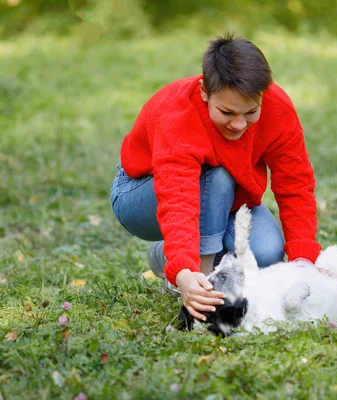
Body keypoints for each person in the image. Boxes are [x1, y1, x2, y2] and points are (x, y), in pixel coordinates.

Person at [110, 33, 321, 322]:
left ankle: (165, 255)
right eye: (227, 112)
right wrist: (185, 268)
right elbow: (178, 197)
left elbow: (294, 183)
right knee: (217, 175)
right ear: (204, 91)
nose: (239, 123)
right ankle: (201, 278)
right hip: (139, 193)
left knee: (266, 255)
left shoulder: (278, 110)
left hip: (227, 198)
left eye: (251, 112)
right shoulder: (177, 115)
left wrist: (302, 261)